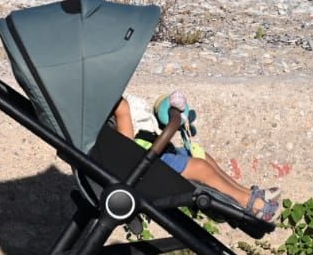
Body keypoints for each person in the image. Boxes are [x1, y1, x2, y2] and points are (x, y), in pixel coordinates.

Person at [111, 93, 280, 222]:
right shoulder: (116, 104)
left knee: (202, 156)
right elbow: (127, 151)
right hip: (143, 165)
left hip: (156, 152)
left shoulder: (118, 96)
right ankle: (248, 204)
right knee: (200, 168)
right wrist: (123, 111)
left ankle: (246, 193)